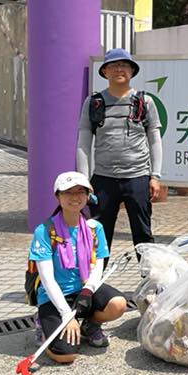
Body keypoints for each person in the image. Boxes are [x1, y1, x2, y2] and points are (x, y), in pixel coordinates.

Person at [29, 172, 127, 362]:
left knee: (118, 304)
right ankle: (44, 324)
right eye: (68, 192)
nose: (75, 197)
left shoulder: (94, 227)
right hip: (54, 297)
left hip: (83, 290)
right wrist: (66, 315)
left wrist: (88, 289)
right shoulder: (44, 231)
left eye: (80, 192)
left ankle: (90, 326)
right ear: (57, 196)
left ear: (87, 196)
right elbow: (47, 280)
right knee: (67, 355)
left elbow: (99, 263)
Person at [76, 48, 162, 254]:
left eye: (124, 65)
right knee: (99, 235)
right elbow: (83, 143)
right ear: (104, 72)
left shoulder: (145, 101)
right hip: (103, 180)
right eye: (113, 66)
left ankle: (151, 280)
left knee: (143, 234)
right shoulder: (93, 103)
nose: (119, 69)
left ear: (132, 71)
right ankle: (93, 283)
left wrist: (155, 176)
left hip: (138, 177)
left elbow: (155, 140)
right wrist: (84, 180)